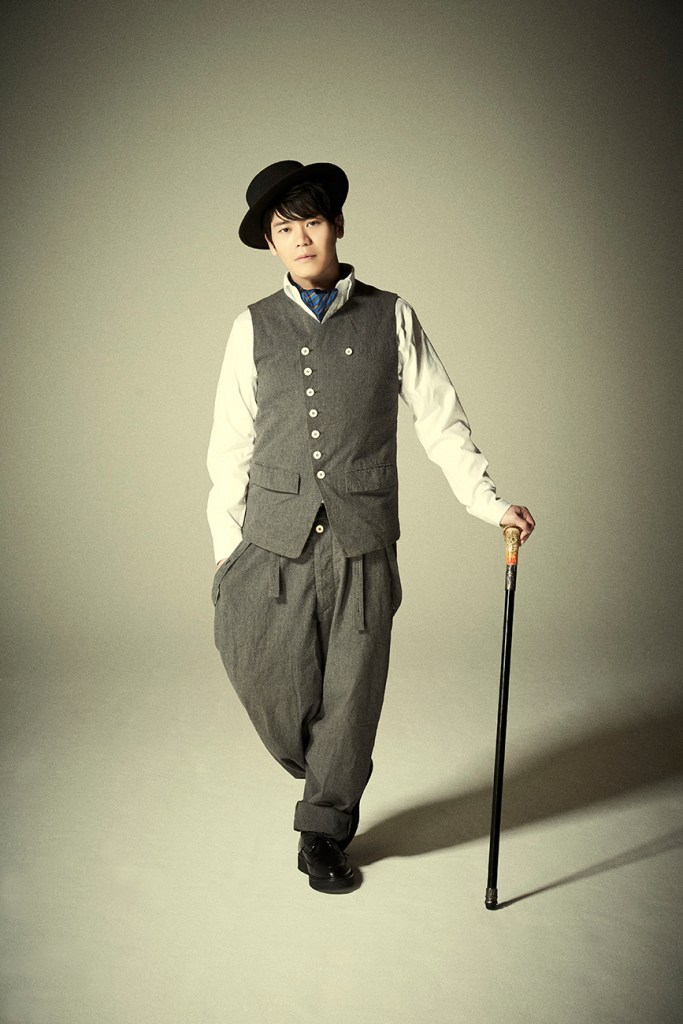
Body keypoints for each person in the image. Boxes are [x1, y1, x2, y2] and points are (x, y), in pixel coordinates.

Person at [207, 160, 535, 894]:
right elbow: (229, 446)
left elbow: (442, 423)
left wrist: (490, 504)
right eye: (284, 229)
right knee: (268, 679)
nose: (300, 239)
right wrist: (227, 553)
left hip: (362, 539)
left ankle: (323, 827)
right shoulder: (251, 325)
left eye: (311, 222)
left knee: (353, 693)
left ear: (337, 226)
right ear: (271, 243)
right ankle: (332, 766)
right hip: (271, 540)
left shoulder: (393, 315)